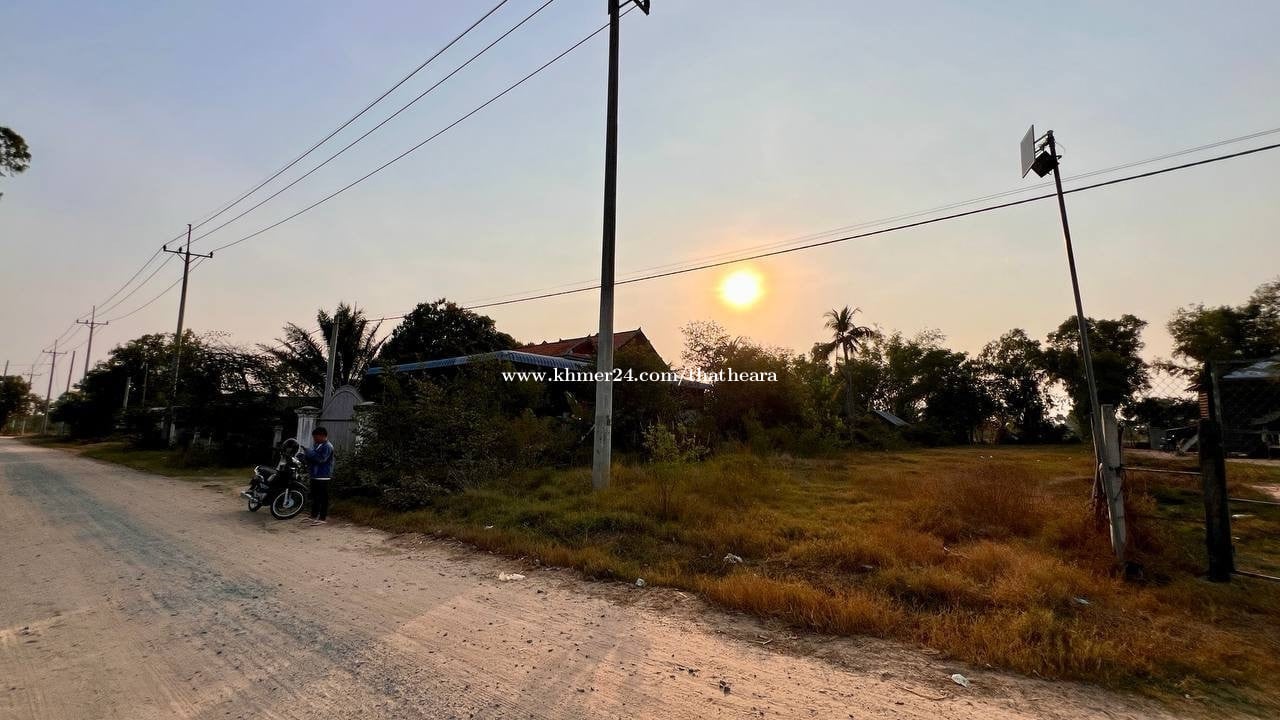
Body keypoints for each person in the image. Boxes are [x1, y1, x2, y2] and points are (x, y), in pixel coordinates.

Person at [302, 426, 335, 526]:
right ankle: (313, 515)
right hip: (315, 474)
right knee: (315, 496)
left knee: (322, 497)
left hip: (323, 475)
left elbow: (321, 459)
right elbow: (312, 457)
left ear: (322, 436)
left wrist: (309, 453)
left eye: (316, 437)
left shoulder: (327, 446)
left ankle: (322, 517)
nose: (314, 439)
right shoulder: (317, 445)